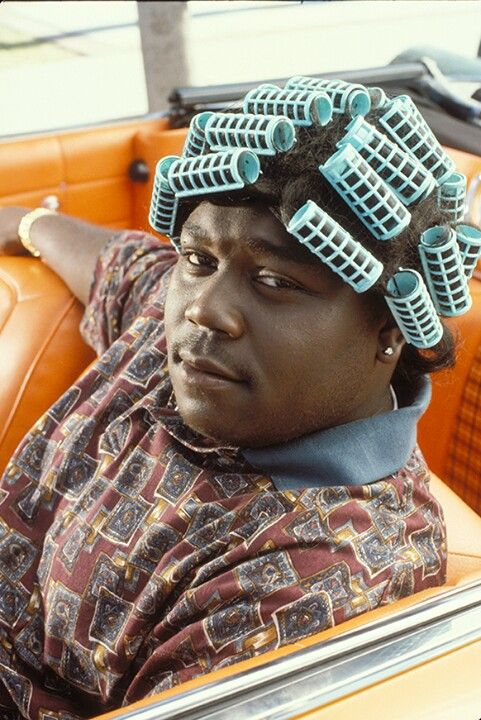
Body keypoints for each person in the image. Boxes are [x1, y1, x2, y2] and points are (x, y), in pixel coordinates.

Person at [0, 79, 468, 719]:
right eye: (198, 258)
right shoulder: (188, 333)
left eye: (274, 280)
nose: (204, 309)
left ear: (389, 329)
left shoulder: (313, 576)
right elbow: (122, 263)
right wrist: (29, 223)